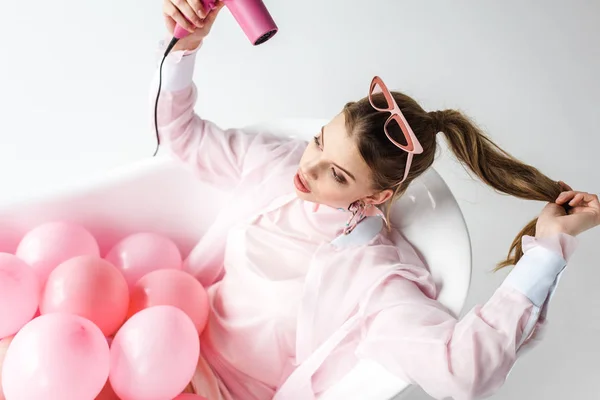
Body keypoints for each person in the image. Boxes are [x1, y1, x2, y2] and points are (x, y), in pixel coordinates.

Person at [153, 1, 600, 400]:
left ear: (379, 196)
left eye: (337, 174)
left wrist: (548, 249)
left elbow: (464, 373)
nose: (307, 169)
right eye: (318, 141)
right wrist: (185, 48)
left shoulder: (375, 278)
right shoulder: (278, 165)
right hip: (166, 334)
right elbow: (181, 137)